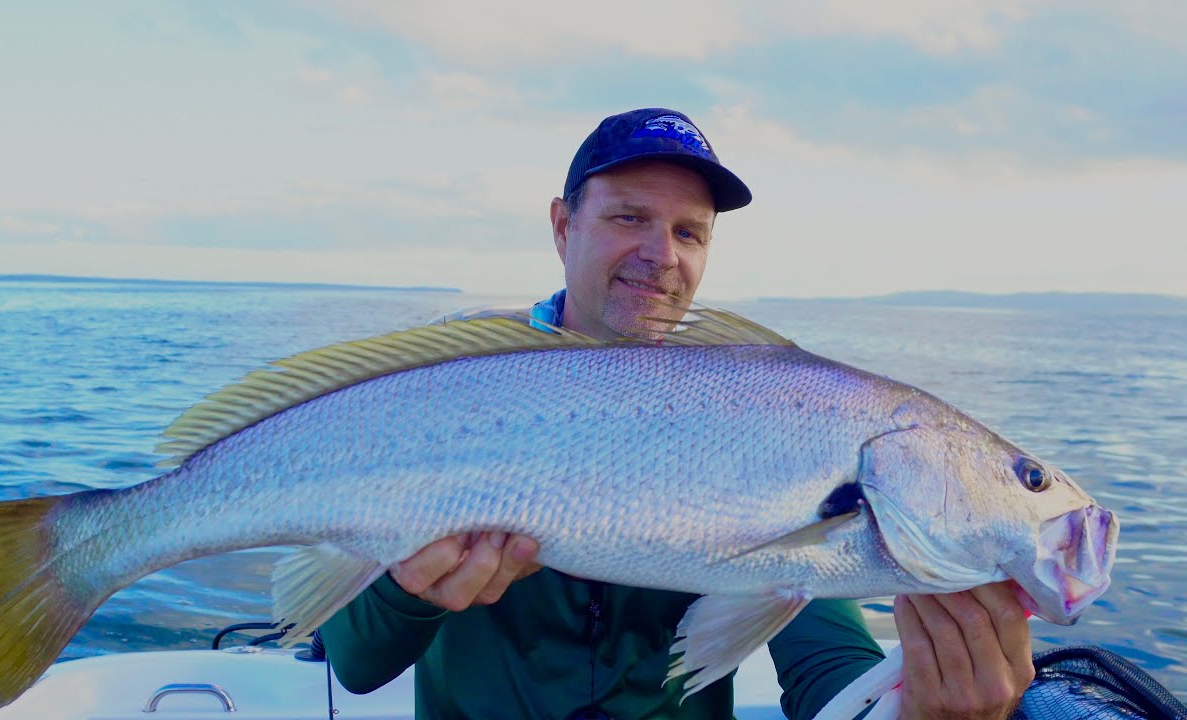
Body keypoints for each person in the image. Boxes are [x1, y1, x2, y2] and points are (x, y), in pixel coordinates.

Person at [319, 108, 1035, 719]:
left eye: (690, 233)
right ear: (563, 226)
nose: (662, 255)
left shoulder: (759, 413)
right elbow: (356, 663)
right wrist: (413, 592)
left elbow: (826, 657)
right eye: (630, 217)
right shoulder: (456, 390)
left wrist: (921, 703)